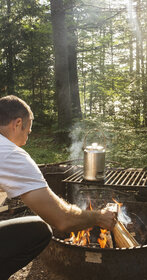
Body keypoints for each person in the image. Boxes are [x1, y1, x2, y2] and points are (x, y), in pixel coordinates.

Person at [0, 95, 116, 279]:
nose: (26, 140)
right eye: (27, 132)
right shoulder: (11, 155)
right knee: (39, 230)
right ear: (17, 123)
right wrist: (100, 217)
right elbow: (62, 219)